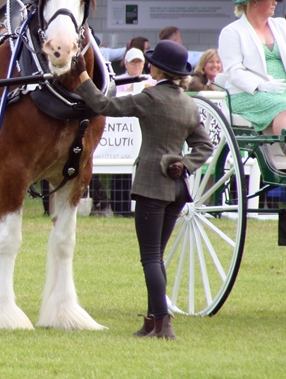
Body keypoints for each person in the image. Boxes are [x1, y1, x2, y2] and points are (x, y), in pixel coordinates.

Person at [71, 40, 213, 340]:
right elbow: (205, 146)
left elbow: (104, 105)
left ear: (158, 69)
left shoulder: (150, 97)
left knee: (150, 258)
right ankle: (152, 321)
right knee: (156, 256)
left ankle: (163, 322)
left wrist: (83, 76)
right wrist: (185, 164)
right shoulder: (189, 103)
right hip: (177, 190)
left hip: (151, 185)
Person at [218, 0, 286, 171]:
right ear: (253, 2)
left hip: (283, 89)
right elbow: (233, 71)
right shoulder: (232, 32)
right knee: (281, 106)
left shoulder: (281, 26)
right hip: (247, 93)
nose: (275, 2)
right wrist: (261, 85)